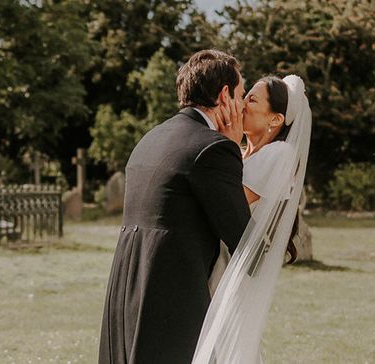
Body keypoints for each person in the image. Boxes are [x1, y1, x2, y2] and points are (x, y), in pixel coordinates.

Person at [98, 49, 251, 364]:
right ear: (225, 96)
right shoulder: (214, 148)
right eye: (241, 95)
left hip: (127, 292)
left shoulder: (151, 138)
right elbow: (242, 237)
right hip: (172, 299)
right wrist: (235, 148)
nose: (244, 105)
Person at [193, 74, 312, 364]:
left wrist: (227, 143)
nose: (241, 104)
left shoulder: (280, 154)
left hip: (234, 267)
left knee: (225, 346)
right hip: (215, 260)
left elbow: (227, 201)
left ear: (275, 120)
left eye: (252, 99)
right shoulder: (245, 153)